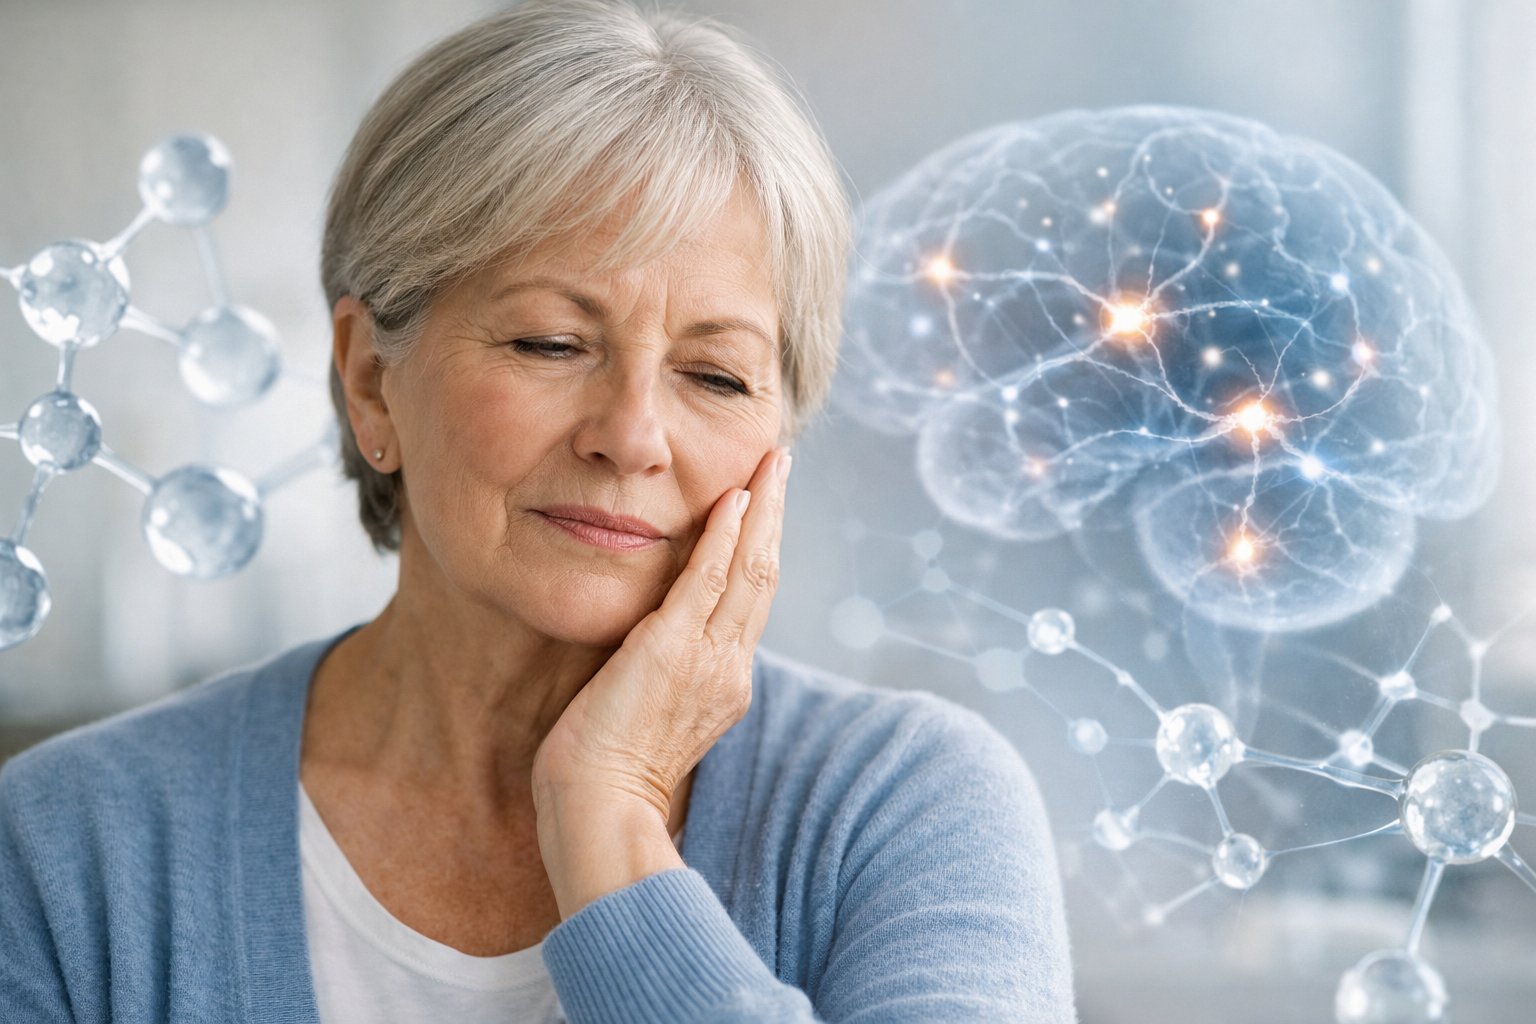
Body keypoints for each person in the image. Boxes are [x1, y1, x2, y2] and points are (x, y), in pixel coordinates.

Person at [0, 1, 1075, 1020]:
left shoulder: (913, 806)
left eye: (717, 376)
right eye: (551, 344)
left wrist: (608, 819)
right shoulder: (69, 848)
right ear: (371, 379)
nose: (634, 435)